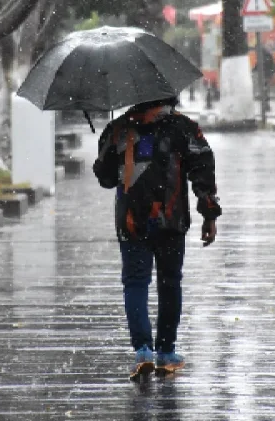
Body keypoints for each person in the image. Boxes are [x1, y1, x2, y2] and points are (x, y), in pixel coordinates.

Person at [93, 96, 222, 380]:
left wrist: (109, 147)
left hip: (131, 221)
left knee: (135, 282)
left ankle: (143, 351)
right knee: (170, 282)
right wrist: (209, 213)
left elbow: (105, 178)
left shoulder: (119, 129)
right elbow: (203, 169)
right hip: (171, 220)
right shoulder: (183, 127)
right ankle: (165, 352)